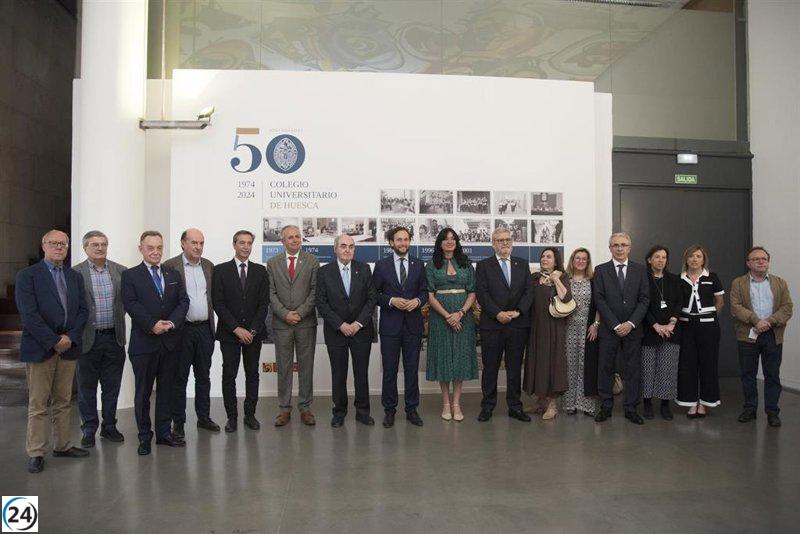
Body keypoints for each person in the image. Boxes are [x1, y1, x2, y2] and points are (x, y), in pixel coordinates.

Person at [16, 230, 89, 473]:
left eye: (63, 244)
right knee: (38, 404)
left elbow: (82, 311)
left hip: (68, 347)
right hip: (41, 348)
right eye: (54, 243)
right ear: (43, 246)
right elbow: (29, 315)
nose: (59, 247)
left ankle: (63, 444)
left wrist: (69, 337)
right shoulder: (28, 276)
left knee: (63, 401)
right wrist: (53, 340)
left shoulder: (74, 277)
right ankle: (36, 451)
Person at [121, 230, 189, 455]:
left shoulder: (173, 273)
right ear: (141, 248)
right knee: (142, 393)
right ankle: (144, 436)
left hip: (170, 343)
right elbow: (131, 304)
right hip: (144, 344)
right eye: (150, 247)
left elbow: (183, 301)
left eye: (159, 247)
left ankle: (163, 433)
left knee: (167, 391)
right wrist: (152, 325)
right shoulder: (130, 276)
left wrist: (171, 323)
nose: (155, 252)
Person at [315, 234, 378, 427]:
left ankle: (362, 412)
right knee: (338, 373)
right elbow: (321, 302)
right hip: (336, 331)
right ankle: (339, 412)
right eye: (343, 246)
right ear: (335, 249)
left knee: (361, 373)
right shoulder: (324, 272)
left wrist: (357, 323)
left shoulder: (364, 269)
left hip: (361, 331)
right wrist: (340, 324)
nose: (347, 249)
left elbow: (371, 299)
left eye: (351, 246)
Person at [163, 228, 220, 437]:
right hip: (181, 331)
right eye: (194, 243)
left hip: (205, 329)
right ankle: (178, 422)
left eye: (201, 243)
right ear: (182, 243)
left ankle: (203, 418)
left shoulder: (209, 266)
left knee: (203, 376)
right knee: (180, 378)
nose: (198, 247)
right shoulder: (170, 266)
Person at [212, 230, 270, 432]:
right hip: (230, 334)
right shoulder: (220, 270)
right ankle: (232, 417)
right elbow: (218, 304)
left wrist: (252, 330)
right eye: (241, 243)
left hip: (253, 335)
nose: (246, 247)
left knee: (252, 374)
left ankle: (250, 415)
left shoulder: (261, 271)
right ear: (234, 245)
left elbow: (264, 304)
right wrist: (237, 329)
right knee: (229, 375)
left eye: (249, 243)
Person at [74, 230, 127, 448]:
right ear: (85, 248)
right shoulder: (75, 273)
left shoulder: (120, 271)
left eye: (103, 244)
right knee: (86, 388)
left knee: (112, 386)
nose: (99, 248)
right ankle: (88, 429)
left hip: (113, 338)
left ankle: (109, 426)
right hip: (88, 339)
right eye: (94, 244)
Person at [475, 228, 533, 422]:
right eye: (500, 240)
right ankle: (487, 406)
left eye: (508, 239)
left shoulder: (523, 265)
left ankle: (515, 406)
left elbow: (528, 292)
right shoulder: (483, 266)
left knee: (515, 368)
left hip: (517, 324)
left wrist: (518, 312)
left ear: (512, 242)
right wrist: (498, 313)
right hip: (492, 324)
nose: (504, 243)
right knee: (490, 367)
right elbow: (482, 294)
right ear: (493, 244)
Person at [730, 246, 793, 427]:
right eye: (756, 259)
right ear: (748, 263)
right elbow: (736, 307)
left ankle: (772, 412)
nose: (761, 261)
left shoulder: (779, 283)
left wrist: (769, 322)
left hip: (772, 335)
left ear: (768, 262)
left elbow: (787, 307)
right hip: (748, 336)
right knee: (748, 374)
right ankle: (750, 409)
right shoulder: (738, 283)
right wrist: (756, 321)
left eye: (764, 259)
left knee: (772, 375)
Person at [372, 226, 427, 427]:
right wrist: (391, 301)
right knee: (390, 371)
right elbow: (374, 294)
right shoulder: (381, 265)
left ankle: (412, 409)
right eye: (399, 240)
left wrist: (418, 302)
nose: (403, 243)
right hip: (390, 327)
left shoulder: (419, 264)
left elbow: (424, 292)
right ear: (391, 243)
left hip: (413, 326)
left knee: (412, 370)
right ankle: (390, 410)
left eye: (406, 239)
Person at [593, 232, 650, 424]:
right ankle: (606, 406)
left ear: (629, 248)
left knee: (633, 369)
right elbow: (599, 299)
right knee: (606, 368)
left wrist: (630, 323)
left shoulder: (640, 270)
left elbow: (644, 299)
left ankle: (631, 407)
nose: (619, 248)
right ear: (610, 248)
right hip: (609, 329)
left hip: (633, 329)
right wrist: (616, 324)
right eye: (615, 245)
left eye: (623, 245)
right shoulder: (600, 270)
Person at [266, 225, 319, 426]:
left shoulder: (312, 261)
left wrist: (300, 313)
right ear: (283, 241)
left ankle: (305, 407)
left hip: (306, 323)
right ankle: (284, 409)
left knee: (306, 367)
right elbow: (270, 293)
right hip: (282, 324)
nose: (295, 240)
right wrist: (285, 314)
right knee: (284, 367)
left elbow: (315, 292)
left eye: (298, 236)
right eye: (290, 237)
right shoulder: (272, 263)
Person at [425, 228, 478, 421]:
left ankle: (457, 403)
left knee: (460, 358)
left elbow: (472, 292)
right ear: (440, 243)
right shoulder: (431, 265)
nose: (449, 242)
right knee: (444, 358)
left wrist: (460, 313)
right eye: (446, 239)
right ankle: (446, 403)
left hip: (463, 316)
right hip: (440, 318)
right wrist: (448, 316)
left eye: (453, 239)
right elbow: (430, 295)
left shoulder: (466, 264)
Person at [676, 244, 725, 418]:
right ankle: (690, 403)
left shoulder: (712, 277)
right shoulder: (679, 279)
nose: (694, 259)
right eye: (691, 256)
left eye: (698, 256)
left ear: (703, 259)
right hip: (685, 325)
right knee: (687, 365)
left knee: (708, 364)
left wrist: (710, 316)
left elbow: (720, 301)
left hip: (708, 327)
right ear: (686, 259)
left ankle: (704, 403)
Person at [523, 247, 571, 420]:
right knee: (537, 362)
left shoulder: (563, 277)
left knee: (552, 363)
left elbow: (565, 298)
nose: (544, 259)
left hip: (553, 326)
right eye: (543, 256)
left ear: (556, 260)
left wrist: (555, 279)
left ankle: (552, 405)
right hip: (536, 326)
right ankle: (541, 401)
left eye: (549, 257)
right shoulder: (535, 278)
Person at [640, 245, 682, 420]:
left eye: (664, 257)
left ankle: (665, 404)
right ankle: (647, 403)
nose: (660, 260)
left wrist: (672, 322)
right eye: (656, 257)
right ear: (649, 260)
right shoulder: (642, 279)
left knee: (668, 369)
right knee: (647, 369)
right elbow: (641, 304)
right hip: (649, 331)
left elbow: (679, 302)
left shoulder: (674, 279)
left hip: (671, 332)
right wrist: (655, 325)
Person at [563, 247, 599, 417]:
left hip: (588, 328)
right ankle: (569, 404)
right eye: (578, 258)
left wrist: (596, 324)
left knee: (586, 365)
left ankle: (586, 404)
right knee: (570, 365)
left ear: (588, 262)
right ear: (572, 260)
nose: (581, 261)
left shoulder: (594, 280)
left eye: (584, 259)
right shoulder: (565, 280)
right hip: (568, 327)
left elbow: (599, 304)